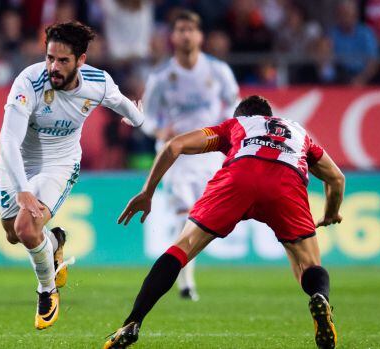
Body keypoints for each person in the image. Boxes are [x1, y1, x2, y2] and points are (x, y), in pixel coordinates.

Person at [103, 95, 344, 349]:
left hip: (238, 177)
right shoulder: (299, 132)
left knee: (183, 247)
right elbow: (336, 179)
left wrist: (147, 192)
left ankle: (132, 322)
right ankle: (319, 296)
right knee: (308, 263)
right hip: (286, 182)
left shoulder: (234, 125)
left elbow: (174, 146)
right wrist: (331, 212)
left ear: (241, 116)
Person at [0, 21, 144, 330]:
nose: (54, 66)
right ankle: (54, 241)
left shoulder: (98, 83)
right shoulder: (29, 82)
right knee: (13, 234)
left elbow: (123, 105)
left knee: (26, 227)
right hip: (18, 162)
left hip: (59, 163)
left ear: (81, 61)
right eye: (50, 58)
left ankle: (47, 291)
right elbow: (8, 140)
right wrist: (22, 188)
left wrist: (137, 119)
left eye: (63, 60)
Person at [140, 10, 239, 301]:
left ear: (200, 36)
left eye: (190, 29)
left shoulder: (217, 71)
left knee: (203, 216)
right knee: (186, 213)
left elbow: (234, 104)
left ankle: (185, 279)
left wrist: (225, 130)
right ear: (172, 37)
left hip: (209, 152)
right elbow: (144, 116)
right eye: (180, 29)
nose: (185, 35)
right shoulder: (161, 76)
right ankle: (186, 283)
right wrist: (158, 131)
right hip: (178, 153)